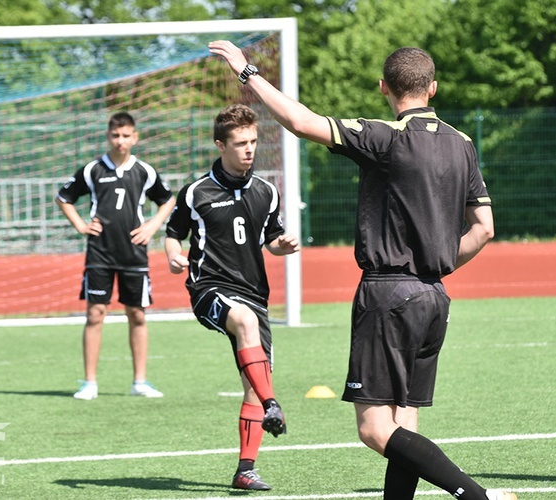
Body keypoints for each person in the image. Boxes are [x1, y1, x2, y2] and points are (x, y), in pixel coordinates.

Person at [208, 41, 515, 500]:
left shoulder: (385, 136)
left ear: (384, 88)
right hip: (434, 297)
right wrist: (438, 262)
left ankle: (476, 496)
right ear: (433, 87)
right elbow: (484, 229)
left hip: (388, 293)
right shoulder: (463, 143)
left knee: (374, 430)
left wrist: (247, 72)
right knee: (403, 422)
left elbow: (299, 121)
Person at [164, 103, 300, 491]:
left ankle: (245, 469)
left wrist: (282, 244)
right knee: (243, 321)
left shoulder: (266, 191)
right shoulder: (196, 193)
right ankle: (274, 403)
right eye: (241, 143)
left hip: (254, 294)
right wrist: (174, 255)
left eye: (254, 141)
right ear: (220, 144)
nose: (249, 150)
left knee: (253, 384)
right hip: (209, 288)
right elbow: (174, 233)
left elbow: (270, 239)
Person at [56, 111, 175, 400]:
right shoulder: (93, 170)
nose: (120, 141)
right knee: (95, 313)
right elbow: (64, 198)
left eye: (125, 136)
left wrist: (152, 226)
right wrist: (82, 226)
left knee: (137, 314)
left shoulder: (144, 171)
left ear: (135, 137)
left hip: (134, 252)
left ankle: (140, 382)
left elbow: (168, 200)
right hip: (100, 252)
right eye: (115, 136)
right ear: (108, 136)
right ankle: (89, 383)